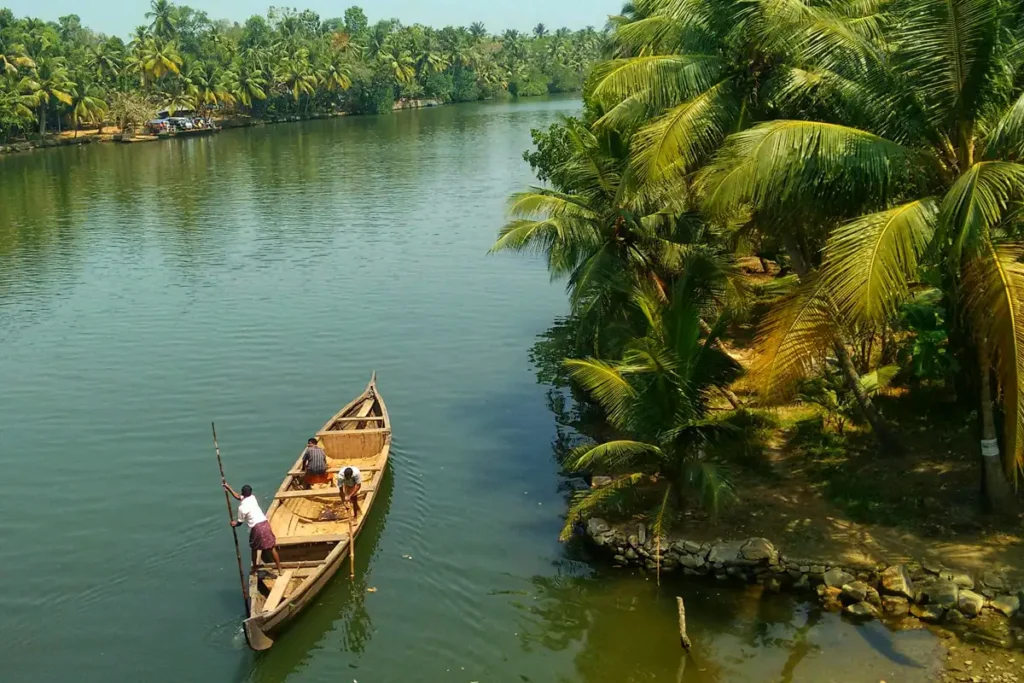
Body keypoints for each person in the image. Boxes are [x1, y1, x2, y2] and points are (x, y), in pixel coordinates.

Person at [223, 482, 283, 576]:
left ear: (243, 493)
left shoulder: (242, 508)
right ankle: (280, 570)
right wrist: (228, 487)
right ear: (250, 493)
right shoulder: (253, 498)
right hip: (265, 524)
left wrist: (234, 524)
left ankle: (254, 569)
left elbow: (239, 523)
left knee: (254, 548)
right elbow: (238, 496)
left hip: (257, 528)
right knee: (271, 548)